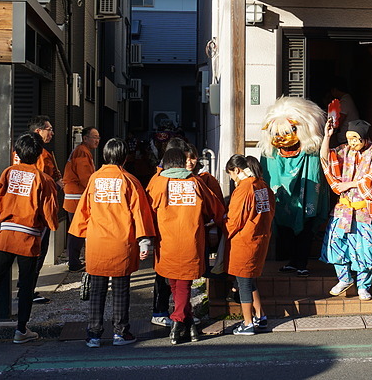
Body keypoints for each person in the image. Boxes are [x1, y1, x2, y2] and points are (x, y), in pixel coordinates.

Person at [0, 132, 58, 344]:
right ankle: (21, 330)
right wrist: (51, 225)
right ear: (39, 154)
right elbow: (50, 214)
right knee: (26, 284)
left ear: (17, 152)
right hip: (29, 237)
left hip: (6, 233)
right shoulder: (44, 179)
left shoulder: (8, 172)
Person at [69, 138, 156, 348]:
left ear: (105, 155)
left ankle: (94, 334)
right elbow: (140, 213)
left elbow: (83, 211)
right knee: (120, 289)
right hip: (121, 242)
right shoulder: (129, 180)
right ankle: (120, 332)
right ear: (125, 157)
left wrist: (80, 237)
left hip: (97, 241)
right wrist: (144, 242)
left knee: (97, 290)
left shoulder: (94, 179)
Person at [146, 147, 225, 345]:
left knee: (174, 280)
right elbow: (215, 207)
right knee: (183, 282)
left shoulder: (158, 181)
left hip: (166, 240)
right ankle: (184, 320)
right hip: (191, 239)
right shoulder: (195, 182)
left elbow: (146, 210)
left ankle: (179, 320)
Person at [320, 118, 372, 301]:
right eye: (349, 138)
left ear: (364, 137)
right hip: (343, 210)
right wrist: (327, 137)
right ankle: (344, 279)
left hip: (364, 211)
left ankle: (363, 285)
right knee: (336, 245)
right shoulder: (344, 150)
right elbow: (325, 159)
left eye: (355, 138)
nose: (351, 142)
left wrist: (348, 184)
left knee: (364, 249)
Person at [259, 96, 330, 277]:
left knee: (306, 227)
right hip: (283, 200)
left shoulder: (310, 151)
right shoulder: (271, 154)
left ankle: (301, 262)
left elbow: (322, 158)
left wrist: (328, 136)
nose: (283, 138)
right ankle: (292, 262)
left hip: (306, 198)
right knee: (285, 228)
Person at [13, 115, 62, 304]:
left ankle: (24, 287)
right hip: (36, 212)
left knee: (26, 253)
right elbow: (42, 183)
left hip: (19, 211)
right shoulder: (40, 155)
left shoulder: (17, 152)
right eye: (48, 129)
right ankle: (28, 290)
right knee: (37, 252)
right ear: (37, 132)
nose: (52, 132)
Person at [225, 154, 275, 336]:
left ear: (237, 170)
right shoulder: (262, 185)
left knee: (244, 282)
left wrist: (222, 228)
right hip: (259, 238)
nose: (232, 179)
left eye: (231, 174)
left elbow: (235, 220)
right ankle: (260, 316)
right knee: (250, 280)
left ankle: (247, 323)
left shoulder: (244, 188)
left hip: (244, 240)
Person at [62, 126, 100, 272]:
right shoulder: (82, 152)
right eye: (94, 137)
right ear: (85, 138)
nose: (97, 140)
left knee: (76, 229)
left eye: (98, 137)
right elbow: (86, 178)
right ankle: (74, 262)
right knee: (77, 229)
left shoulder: (82, 151)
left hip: (75, 195)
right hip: (76, 196)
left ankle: (74, 261)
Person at [328, 77, 360, 146]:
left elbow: (339, 121)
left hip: (347, 139)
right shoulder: (347, 99)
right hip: (348, 138)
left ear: (335, 90)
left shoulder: (345, 101)